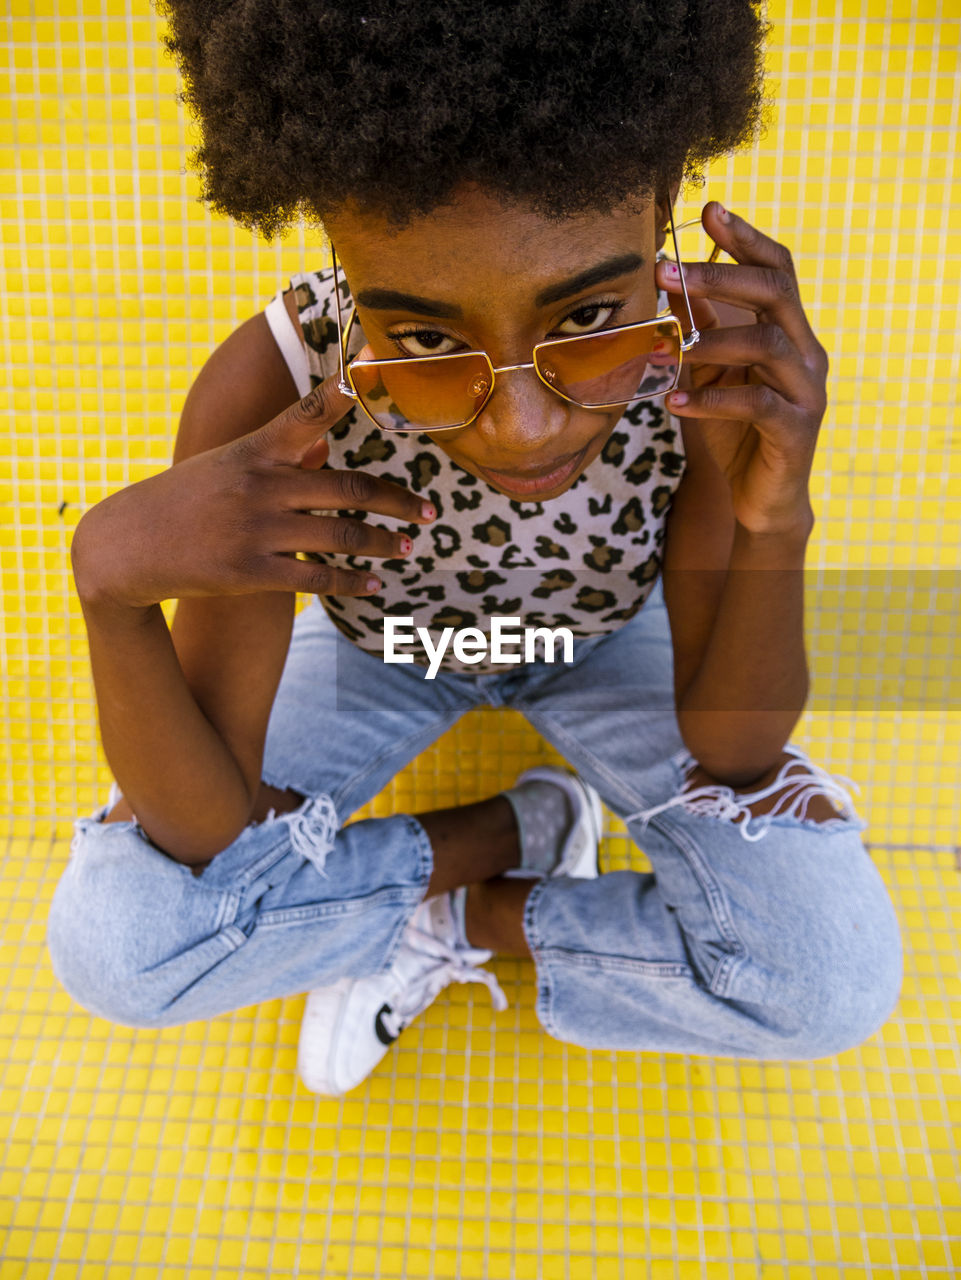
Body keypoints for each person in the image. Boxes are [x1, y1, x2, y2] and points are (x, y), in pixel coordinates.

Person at [47, 0, 902, 1096]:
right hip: (383, 652)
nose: (520, 426)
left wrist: (773, 519)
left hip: (607, 643)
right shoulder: (278, 387)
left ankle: (457, 916)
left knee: (825, 978)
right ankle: (517, 825)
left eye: (589, 315)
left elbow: (731, 748)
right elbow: (207, 827)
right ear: (337, 246)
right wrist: (109, 592)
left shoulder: (703, 374)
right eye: (428, 338)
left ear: (664, 203)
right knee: (122, 947)